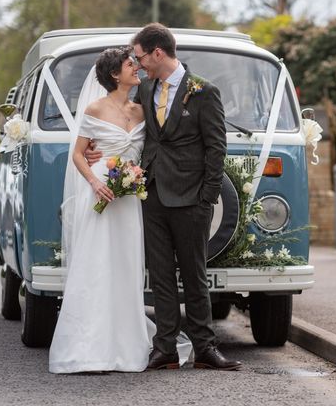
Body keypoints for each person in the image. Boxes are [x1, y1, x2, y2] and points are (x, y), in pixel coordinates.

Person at [87, 24, 241, 371]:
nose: (137, 65)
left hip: (192, 199)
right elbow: (121, 124)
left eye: (140, 57)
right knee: (159, 275)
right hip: (151, 194)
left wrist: (208, 198)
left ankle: (205, 347)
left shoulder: (204, 92)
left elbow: (217, 149)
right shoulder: (144, 89)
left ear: (158, 53)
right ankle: (166, 347)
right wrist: (95, 148)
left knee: (194, 273)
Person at [49, 47, 192, 373]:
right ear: (116, 74)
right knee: (96, 264)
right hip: (100, 192)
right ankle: (90, 348)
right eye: (131, 65)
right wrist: (94, 182)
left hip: (129, 197)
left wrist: (137, 174)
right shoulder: (95, 109)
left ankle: (125, 343)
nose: (137, 69)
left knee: (126, 267)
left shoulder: (142, 111)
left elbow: (151, 148)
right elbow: (79, 154)